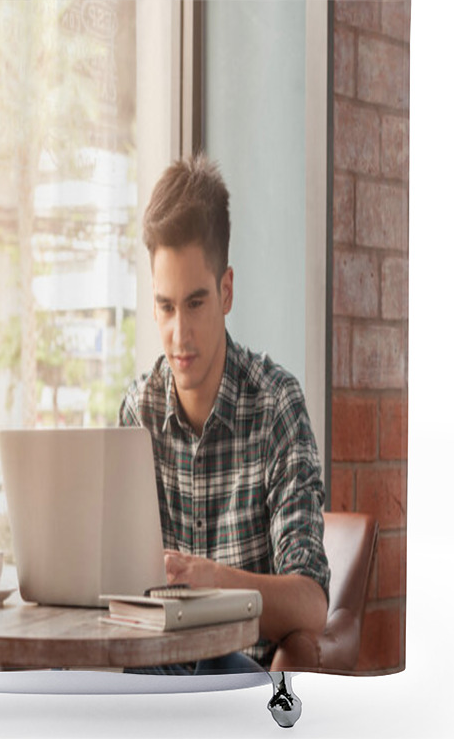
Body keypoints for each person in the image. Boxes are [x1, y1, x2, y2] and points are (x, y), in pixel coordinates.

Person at [119, 155, 330, 672]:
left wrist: (212, 583)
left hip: (238, 687)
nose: (179, 334)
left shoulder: (277, 406)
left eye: (195, 303)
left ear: (226, 291)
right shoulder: (137, 411)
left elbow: (311, 604)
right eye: (165, 307)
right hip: (148, 686)